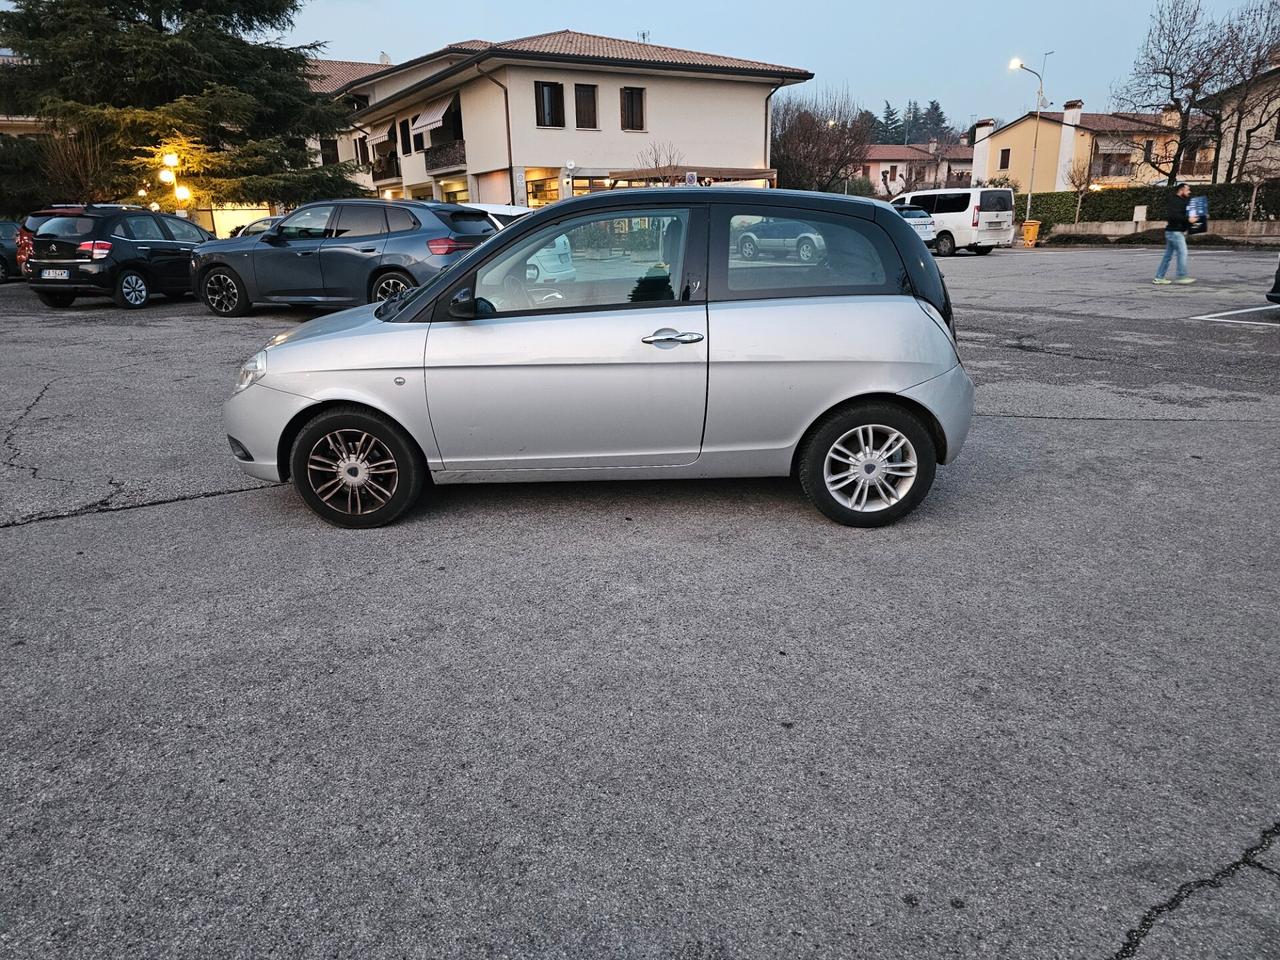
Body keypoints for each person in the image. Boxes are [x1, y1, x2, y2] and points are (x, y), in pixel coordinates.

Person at [1153, 183, 1197, 285]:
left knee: (1167, 256)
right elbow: (1173, 216)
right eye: (1187, 190)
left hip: (1174, 231)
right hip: (1174, 232)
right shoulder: (1174, 201)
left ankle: (1159, 277)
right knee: (1183, 252)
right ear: (1181, 190)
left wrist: (1198, 216)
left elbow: (1188, 212)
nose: (1189, 192)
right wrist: (1188, 219)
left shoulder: (1184, 201)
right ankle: (1181, 276)